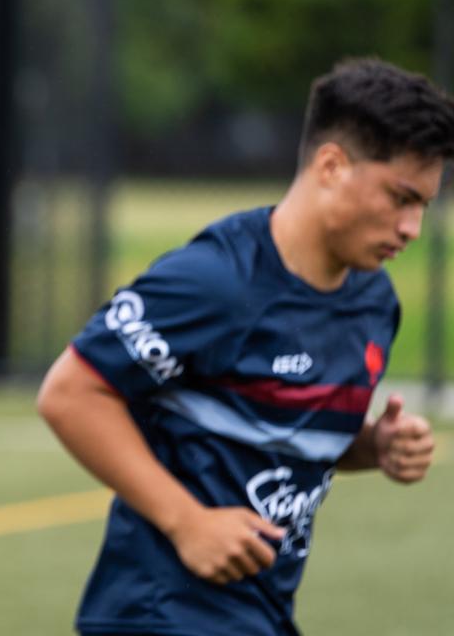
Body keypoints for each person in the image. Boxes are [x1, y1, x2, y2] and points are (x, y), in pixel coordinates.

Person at [37, 57, 451, 636]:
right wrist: (187, 522)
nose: (412, 227)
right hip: (163, 613)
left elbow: (284, 435)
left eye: (424, 206)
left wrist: (371, 446)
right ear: (331, 166)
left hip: (261, 612)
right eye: (400, 197)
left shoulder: (375, 302)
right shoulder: (216, 282)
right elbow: (71, 393)